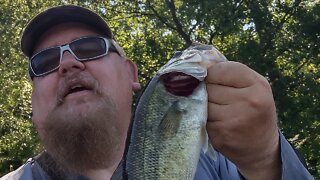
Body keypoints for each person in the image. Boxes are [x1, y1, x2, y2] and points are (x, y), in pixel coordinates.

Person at [1, 5, 313, 180]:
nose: (68, 63)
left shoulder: (221, 160)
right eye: (44, 62)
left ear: (131, 74)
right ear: (33, 100)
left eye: (88, 48)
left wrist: (264, 162)